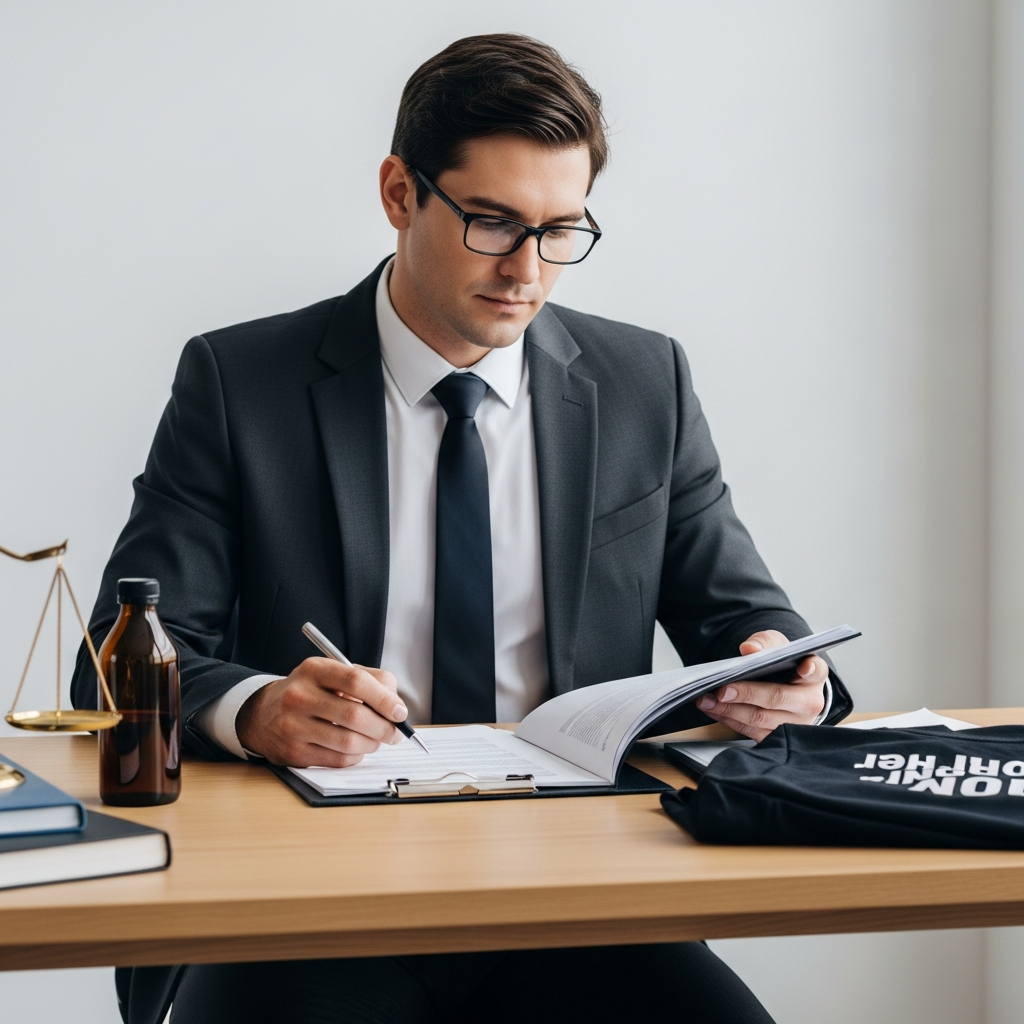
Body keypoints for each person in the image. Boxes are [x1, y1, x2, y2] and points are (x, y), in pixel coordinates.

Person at [73, 33, 852, 1024]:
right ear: (400, 192)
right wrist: (260, 707)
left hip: (579, 897)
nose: (528, 269)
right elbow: (117, 664)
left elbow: (743, 618)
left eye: (561, 229)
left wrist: (782, 673)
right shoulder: (242, 384)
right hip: (307, 899)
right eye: (492, 223)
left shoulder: (641, 383)